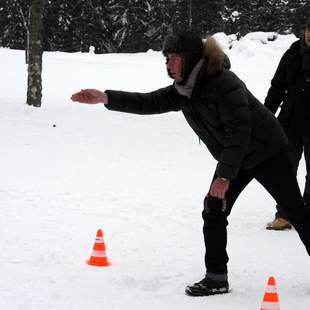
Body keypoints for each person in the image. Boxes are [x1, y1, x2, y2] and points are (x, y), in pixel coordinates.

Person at [71, 32, 310, 297]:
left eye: (173, 59)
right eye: (166, 59)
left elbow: (240, 130)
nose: (168, 65)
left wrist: (224, 177)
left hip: (266, 149)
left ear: (190, 59)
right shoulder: (184, 90)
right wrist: (105, 97)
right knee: (214, 208)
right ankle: (216, 277)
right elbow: (149, 102)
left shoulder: (223, 83)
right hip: (234, 155)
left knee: (296, 212)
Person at [265, 17, 310, 231]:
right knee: (286, 171)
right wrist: (265, 117)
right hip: (289, 123)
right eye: (309, 29)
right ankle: (284, 215)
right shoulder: (292, 53)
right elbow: (276, 87)